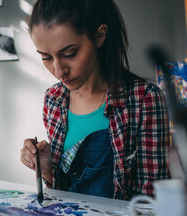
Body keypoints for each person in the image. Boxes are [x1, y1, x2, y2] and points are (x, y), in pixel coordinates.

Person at [20, 0, 170, 200]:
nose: (58, 71)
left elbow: (150, 199)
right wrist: (46, 168)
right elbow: (62, 189)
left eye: (69, 54)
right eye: (46, 57)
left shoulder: (144, 99)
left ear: (99, 36)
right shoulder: (54, 99)